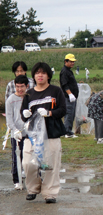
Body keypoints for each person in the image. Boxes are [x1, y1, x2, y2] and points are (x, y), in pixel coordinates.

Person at [21, 62, 66, 203]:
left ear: (48, 75)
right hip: (33, 136)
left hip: (52, 134)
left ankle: (50, 193)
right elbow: (23, 115)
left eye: (43, 73)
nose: (40, 75)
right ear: (33, 76)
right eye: (37, 73)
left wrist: (50, 112)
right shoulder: (29, 94)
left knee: (51, 165)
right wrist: (25, 114)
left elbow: (63, 110)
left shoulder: (56, 91)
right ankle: (33, 188)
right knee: (28, 163)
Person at [5, 75, 29, 190]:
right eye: (17, 86)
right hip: (17, 133)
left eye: (22, 87)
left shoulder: (30, 97)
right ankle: (17, 180)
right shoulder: (10, 100)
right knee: (16, 157)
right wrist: (14, 130)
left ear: (27, 86)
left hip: (29, 132)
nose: (20, 89)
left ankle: (35, 178)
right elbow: (9, 118)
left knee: (31, 156)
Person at [60, 53, 79, 138]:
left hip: (72, 97)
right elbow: (64, 84)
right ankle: (67, 132)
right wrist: (70, 94)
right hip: (68, 97)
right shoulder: (64, 71)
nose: (72, 63)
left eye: (73, 62)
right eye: (71, 61)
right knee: (69, 114)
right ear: (65, 61)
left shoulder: (69, 70)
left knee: (72, 114)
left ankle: (69, 131)